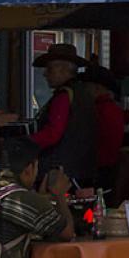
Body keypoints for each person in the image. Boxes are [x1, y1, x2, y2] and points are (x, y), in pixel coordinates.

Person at [30, 42, 101, 183]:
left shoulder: (64, 95)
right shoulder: (83, 93)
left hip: (62, 173)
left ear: (63, 69)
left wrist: (25, 142)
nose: (45, 74)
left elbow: (52, 134)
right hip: (83, 170)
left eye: (49, 69)